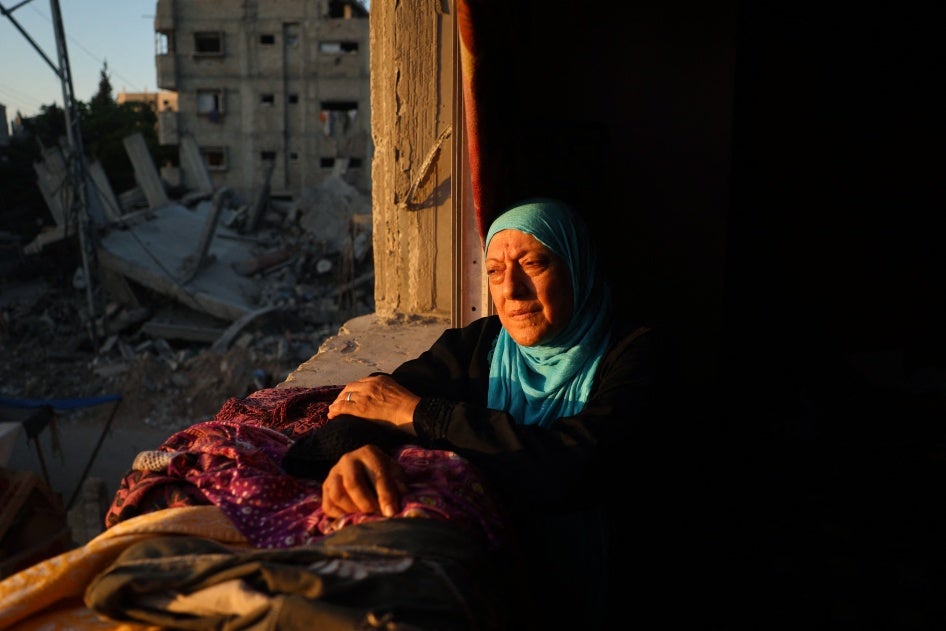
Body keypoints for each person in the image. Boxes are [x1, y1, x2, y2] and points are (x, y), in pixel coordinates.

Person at [292, 197, 671, 628]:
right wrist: (356, 450)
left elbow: (575, 462)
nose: (511, 289)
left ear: (577, 267)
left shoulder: (635, 353)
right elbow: (374, 400)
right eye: (494, 271)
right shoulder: (480, 344)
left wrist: (426, 416)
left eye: (534, 264)